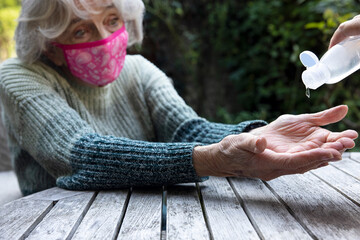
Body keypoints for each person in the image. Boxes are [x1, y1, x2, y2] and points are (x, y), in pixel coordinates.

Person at [0, 0, 357, 196]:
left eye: (112, 20)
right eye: (82, 29)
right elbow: (79, 154)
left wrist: (260, 137)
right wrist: (212, 161)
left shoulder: (138, 69)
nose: (105, 38)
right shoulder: (20, 75)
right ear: (51, 46)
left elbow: (187, 130)